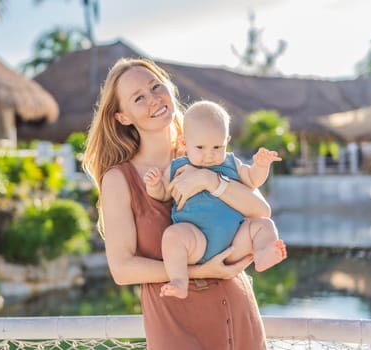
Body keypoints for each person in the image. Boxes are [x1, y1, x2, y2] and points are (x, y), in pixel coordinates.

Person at [83, 57, 269, 349]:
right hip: (175, 324)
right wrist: (200, 272)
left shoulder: (205, 147)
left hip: (237, 309)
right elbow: (122, 269)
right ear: (123, 117)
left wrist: (210, 181)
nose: (154, 99)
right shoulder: (119, 179)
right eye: (139, 98)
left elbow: (261, 211)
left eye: (156, 87)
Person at [143, 100, 287, 299]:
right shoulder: (177, 167)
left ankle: (263, 254)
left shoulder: (232, 164)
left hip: (235, 242)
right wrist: (154, 185)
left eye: (217, 147)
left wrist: (261, 166)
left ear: (226, 141)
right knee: (173, 235)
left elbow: (253, 180)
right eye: (200, 147)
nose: (209, 155)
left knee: (264, 224)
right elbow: (164, 194)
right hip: (196, 240)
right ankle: (179, 281)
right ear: (184, 143)